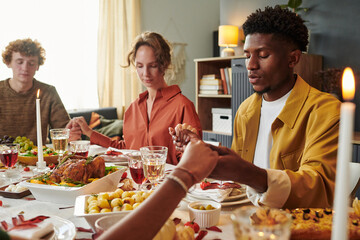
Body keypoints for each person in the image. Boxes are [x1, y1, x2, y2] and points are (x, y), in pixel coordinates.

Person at [171, 6, 341, 209]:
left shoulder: (325, 111)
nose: (250, 65)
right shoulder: (246, 110)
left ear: (293, 59)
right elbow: (235, 178)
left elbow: (318, 187)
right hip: (245, 218)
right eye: (247, 55)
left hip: (293, 226)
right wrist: (201, 149)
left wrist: (247, 173)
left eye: (262, 55)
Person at [73, 31, 201, 165]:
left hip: (168, 183)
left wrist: (187, 147)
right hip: (135, 182)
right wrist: (89, 132)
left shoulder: (183, 106)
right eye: (140, 66)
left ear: (164, 64)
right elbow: (127, 149)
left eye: (152, 66)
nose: (145, 73)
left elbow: (195, 160)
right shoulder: (133, 108)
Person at [98, 139, 218, 240]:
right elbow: (125, 145)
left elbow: (193, 150)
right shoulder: (130, 114)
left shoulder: (180, 110)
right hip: (168, 190)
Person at [0, 38, 81, 144]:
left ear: (38, 66)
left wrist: (72, 134)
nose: (25, 68)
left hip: (39, 157)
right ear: (8, 62)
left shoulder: (48, 92)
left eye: (31, 63)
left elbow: (64, 130)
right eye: (19, 62)